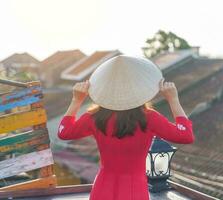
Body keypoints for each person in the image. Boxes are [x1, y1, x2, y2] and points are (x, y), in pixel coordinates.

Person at [57, 55, 195, 200]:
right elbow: (185, 135)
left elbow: (64, 132)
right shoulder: (149, 117)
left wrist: (76, 100)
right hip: (135, 190)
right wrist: (173, 99)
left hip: (102, 189)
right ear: (140, 90)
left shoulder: (95, 117)